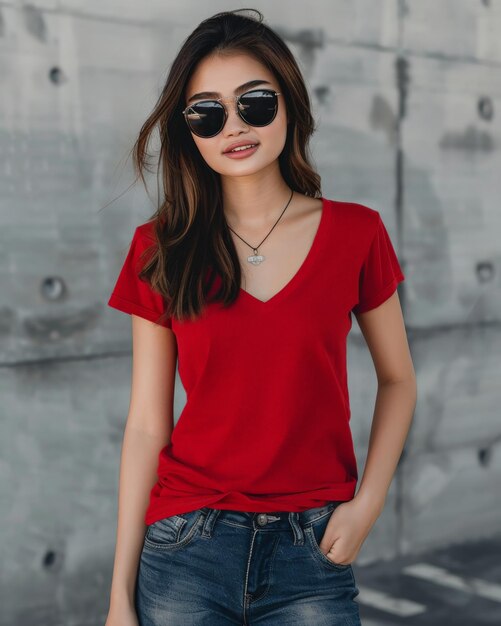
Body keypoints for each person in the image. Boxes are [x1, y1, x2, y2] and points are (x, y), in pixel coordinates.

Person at [104, 8, 417, 626]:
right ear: (188, 130)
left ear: (290, 101)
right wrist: (119, 594)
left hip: (313, 550)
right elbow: (146, 425)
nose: (234, 126)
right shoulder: (160, 246)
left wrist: (368, 504)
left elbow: (399, 380)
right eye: (208, 112)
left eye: (254, 101)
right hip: (186, 548)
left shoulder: (358, 233)